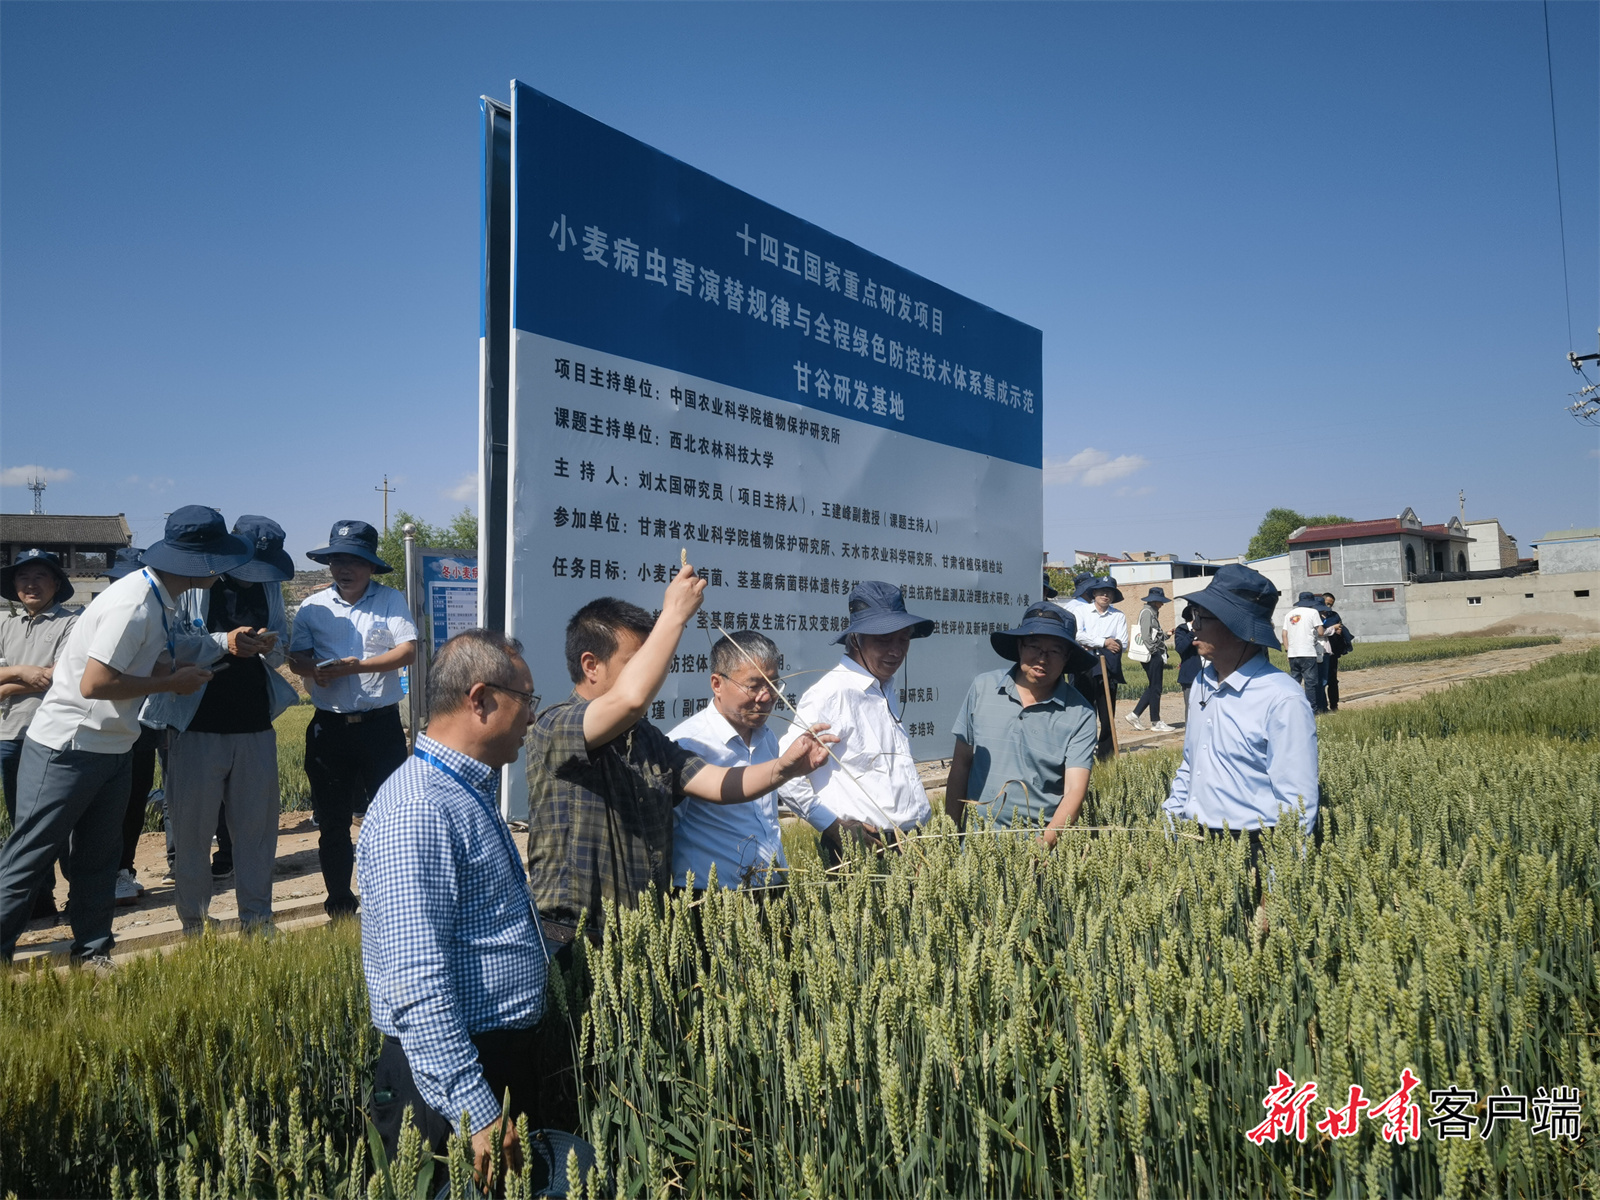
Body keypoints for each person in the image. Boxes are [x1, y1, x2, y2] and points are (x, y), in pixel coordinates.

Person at [359, 629, 582, 1187]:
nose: (533, 717)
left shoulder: (463, 791)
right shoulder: (420, 807)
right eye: (526, 700)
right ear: (481, 699)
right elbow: (415, 981)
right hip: (447, 1088)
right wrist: (474, 1109)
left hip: (490, 1066)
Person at [0, 507, 260, 965]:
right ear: (199, 562)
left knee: (100, 858)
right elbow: (94, 683)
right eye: (219, 557)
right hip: (69, 748)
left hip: (114, 745)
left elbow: (146, 662)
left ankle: (93, 949)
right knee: (30, 856)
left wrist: (188, 661)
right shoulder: (134, 604)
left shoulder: (161, 600)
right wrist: (170, 684)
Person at [524, 565, 834, 947]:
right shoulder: (555, 726)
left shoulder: (647, 740)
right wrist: (674, 615)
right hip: (578, 940)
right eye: (636, 662)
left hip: (645, 938)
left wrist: (786, 767)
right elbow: (632, 700)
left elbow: (719, 783)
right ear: (591, 666)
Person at [145, 516, 298, 935]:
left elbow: (282, 644)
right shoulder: (197, 587)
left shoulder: (270, 588)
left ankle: (257, 918)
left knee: (257, 833)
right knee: (193, 834)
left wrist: (269, 646)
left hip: (254, 726)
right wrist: (223, 641)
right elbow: (168, 644)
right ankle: (194, 923)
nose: (254, 580)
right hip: (197, 725)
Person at [286, 520, 418, 918]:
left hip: (381, 729)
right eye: (337, 560)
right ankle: (340, 903)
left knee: (392, 821)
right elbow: (296, 658)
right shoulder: (312, 607)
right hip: (330, 728)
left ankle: (391, 904)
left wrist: (355, 667)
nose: (345, 568)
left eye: (355, 561)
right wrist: (313, 670)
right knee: (334, 822)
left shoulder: (390, 601)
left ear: (371, 566)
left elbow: (407, 651)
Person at [668, 630, 841, 891]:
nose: (766, 697)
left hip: (771, 888)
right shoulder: (687, 745)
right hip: (710, 898)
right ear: (717, 684)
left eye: (773, 685)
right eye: (754, 686)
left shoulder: (766, 738)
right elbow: (665, 827)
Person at [1161, 564, 1319, 845]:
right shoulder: (1201, 681)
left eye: (1202, 617)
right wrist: (1169, 827)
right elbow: (1191, 764)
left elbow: (1297, 802)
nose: (1193, 625)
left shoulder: (1283, 699)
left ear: (1236, 627)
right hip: (1194, 839)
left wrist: (1280, 877)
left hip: (1254, 846)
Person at [778, 581, 935, 847]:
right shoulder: (833, 693)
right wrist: (833, 827)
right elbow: (785, 772)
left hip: (909, 843)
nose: (896, 651)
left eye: (903, 639)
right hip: (863, 847)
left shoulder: (883, 686)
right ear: (855, 639)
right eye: (884, 640)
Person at [943, 603, 1098, 846]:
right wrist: (950, 835)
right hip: (975, 841)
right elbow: (961, 764)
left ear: (1067, 656)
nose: (1042, 658)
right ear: (1019, 646)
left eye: (1054, 651)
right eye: (1034, 646)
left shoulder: (1080, 714)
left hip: (1037, 847)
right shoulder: (983, 688)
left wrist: (1043, 845)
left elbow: (1074, 791)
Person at [0, 549, 80, 923]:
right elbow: (37, 676)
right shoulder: (6, 626)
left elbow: (58, 678)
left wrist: (6, 684)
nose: (30, 584)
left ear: (56, 585)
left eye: (39, 577)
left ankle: (79, 896)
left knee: (59, 820)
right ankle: (39, 896)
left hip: (50, 736)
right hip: (8, 734)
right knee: (23, 823)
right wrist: (22, 672)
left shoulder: (71, 624)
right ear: (14, 586)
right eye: (22, 578)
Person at [1072, 575, 1128, 761]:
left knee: (1107, 713)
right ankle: (1082, 752)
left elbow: (1122, 643)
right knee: (1084, 711)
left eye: (1109, 592)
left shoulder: (1118, 616)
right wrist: (1104, 641)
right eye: (1102, 591)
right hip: (1085, 666)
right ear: (1094, 593)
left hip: (1108, 667)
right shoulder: (1082, 612)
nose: (1105, 595)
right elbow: (1078, 635)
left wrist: (1095, 643)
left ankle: (1106, 756)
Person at [1126, 587, 1175, 733]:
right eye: (1161, 601)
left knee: (1154, 687)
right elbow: (1146, 636)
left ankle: (1134, 715)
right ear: (1155, 601)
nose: (1162, 604)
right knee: (1156, 688)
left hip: (1153, 653)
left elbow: (1155, 634)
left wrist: (1167, 634)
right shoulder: (1147, 613)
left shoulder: (1152, 612)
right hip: (1152, 655)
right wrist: (1155, 652)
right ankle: (1156, 722)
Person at [1281, 591, 1330, 713]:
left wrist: (1288, 650)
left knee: (1295, 682)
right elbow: (1320, 632)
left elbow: (1284, 634)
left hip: (1293, 654)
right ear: (1311, 602)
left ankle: (1294, 709)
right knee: (1310, 683)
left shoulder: (1289, 614)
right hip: (1308, 653)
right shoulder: (1313, 612)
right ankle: (1312, 710)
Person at [1171, 604, 1204, 727]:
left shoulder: (1205, 630)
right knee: (1190, 706)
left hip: (1207, 674)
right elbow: (1180, 648)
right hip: (1190, 675)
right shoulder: (1182, 630)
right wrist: (1192, 634)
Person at [1319, 592, 1349, 712]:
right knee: (1321, 681)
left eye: (1331, 605)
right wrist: (1332, 629)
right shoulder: (1315, 615)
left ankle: (1334, 705)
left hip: (1332, 652)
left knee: (1332, 680)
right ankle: (1322, 706)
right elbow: (1319, 632)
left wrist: (1339, 630)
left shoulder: (1334, 616)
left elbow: (1340, 627)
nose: (1329, 607)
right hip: (1319, 652)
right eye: (1327, 604)